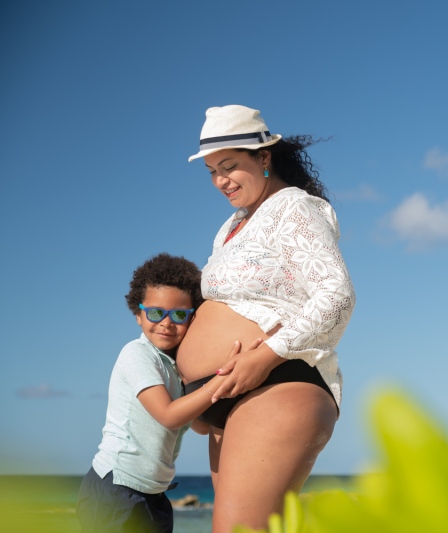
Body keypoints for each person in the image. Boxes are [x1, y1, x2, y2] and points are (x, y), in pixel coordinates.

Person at [177, 105, 355, 532]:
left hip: (276, 381)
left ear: (264, 157)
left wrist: (265, 356)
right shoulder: (230, 227)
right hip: (227, 394)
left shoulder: (291, 206)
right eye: (212, 172)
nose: (221, 181)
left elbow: (337, 294)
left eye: (230, 166)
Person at [77, 252, 261, 533]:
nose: (166, 322)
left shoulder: (177, 367)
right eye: (155, 313)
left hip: (155, 493)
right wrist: (221, 380)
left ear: (191, 318)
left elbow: (198, 425)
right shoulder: (136, 355)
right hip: (117, 487)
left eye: (178, 315)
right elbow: (168, 416)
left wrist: (222, 377)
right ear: (138, 314)